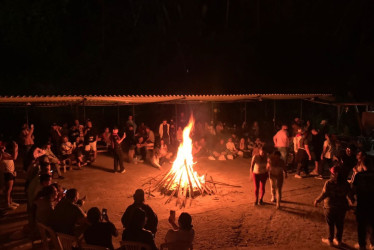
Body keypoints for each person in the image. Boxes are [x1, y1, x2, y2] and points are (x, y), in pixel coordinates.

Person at [314, 166, 354, 247]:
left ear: (332, 173)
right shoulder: (345, 183)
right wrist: (351, 201)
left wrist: (317, 200)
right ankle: (338, 240)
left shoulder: (329, 183)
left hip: (330, 206)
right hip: (341, 206)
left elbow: (324, 194)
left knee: (330, 223)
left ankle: (330, 239)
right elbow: (350, 194)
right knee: (340, 224)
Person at [352, 158, 374, 249]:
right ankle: (373, 244)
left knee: (361, 226)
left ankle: (362, 245)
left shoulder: (359, 175)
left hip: (362, 203)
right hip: (373, 203)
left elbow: (353, 188)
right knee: (373, 224)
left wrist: (351, 199)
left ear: (363, 165)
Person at [0, 140, 19, 210]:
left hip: (11, 172)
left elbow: (15, 157)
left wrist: (16, 148)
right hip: (7, 173)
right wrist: (15, 147)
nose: (4, 147)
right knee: (8, 190)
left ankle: (10, 202)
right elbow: (13, 157)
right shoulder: (1, 154)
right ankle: (7, 204)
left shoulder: (5, 153)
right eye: (2, 146)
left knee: (11, 189)